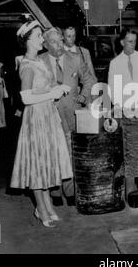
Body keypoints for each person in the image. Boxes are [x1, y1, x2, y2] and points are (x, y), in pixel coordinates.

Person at [10, 20, 73, 227]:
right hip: (36, 118)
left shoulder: (40, 61)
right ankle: (41, 207)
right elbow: (26, 98)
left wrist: (59, 87)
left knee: (46, 162)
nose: (41, 39)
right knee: (37, 164)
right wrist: (52, 93)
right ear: (27, 41)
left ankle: (46, 204)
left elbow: (47, 86)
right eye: (38, 36)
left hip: (47, 116)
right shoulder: (27, 65)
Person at [40, 27, 97, 207]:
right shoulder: (39, 62)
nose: (59, 45)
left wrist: (83, 95)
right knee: (54, 154)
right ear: (45, 44)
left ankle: (71, 191)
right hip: (49, 115)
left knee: (71, 153)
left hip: (72, 114)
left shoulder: (75, 58)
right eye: (54, 42)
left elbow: (89, 80)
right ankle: (55, 191)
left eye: (60, 40)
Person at [107, 28, 138, 111]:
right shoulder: (114, 63)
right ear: (122, 42)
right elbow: (112, 88)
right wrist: (118, 105)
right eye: (130, 41)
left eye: (135, 41)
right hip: (124, 108)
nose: (133, 44)